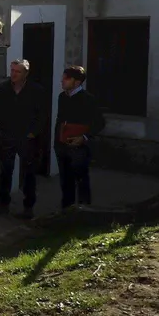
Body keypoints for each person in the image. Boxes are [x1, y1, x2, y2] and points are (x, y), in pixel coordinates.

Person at [0, 59, 47, 220]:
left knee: (29, 172)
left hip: (27, 138)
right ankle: (3, 203)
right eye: (12, 70)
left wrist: (33, 132)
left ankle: (28, 207)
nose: (14, 74)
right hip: (6, 136)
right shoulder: (3, 89)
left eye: (18, 71)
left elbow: (42, 115)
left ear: (26, 73)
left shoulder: (36, 90)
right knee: (5, 171)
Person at [54, 65, 105, 210]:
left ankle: (84, 211)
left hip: (79, 147)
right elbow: (60, 120)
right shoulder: (62, 97)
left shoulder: (88, 99)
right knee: (65, 180)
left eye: (66, 78)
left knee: (81, 179)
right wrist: (57, 141)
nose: (62, 81)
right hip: (63, 145)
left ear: (76, 82)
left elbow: (99, 123)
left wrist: (84, 137)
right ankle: (66, 210)